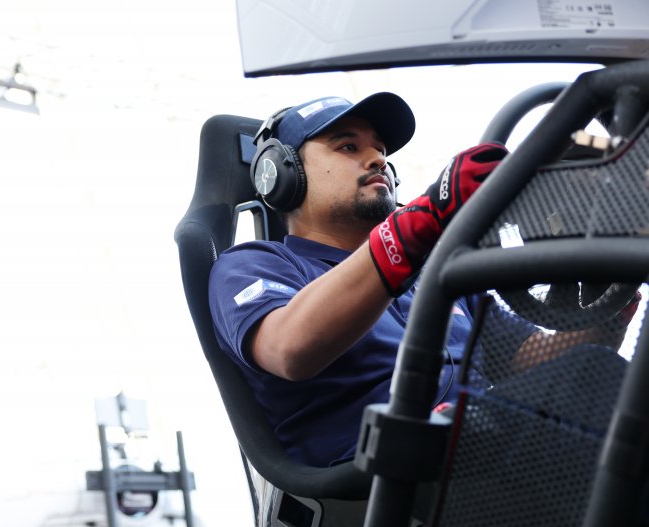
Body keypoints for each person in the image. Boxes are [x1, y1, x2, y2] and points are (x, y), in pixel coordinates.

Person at [207, 93, 639, 468]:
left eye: (380, 150)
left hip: (487, 449)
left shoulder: (437, 273)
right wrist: (418, 226)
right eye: (348, 146)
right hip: (390, 480)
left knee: (613, 382)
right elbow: (289, 348)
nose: (377, 159)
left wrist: (608, 306)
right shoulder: (253, 265)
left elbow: (533, 359)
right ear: (282, 174)